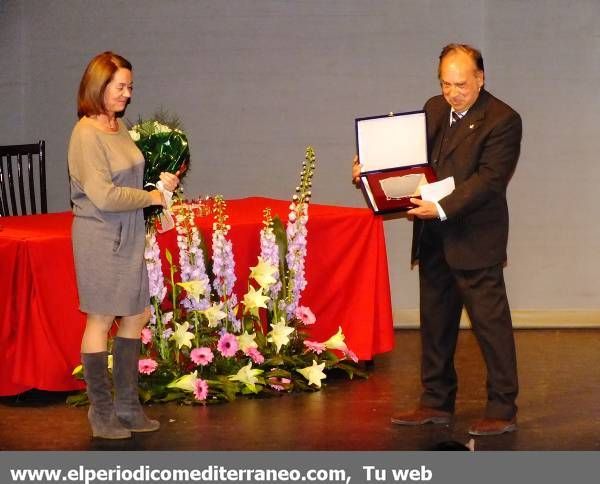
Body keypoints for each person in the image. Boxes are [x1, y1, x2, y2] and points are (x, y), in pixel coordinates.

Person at [353, 43, 522, 436]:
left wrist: (442, 206)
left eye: (461, 84)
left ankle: (502, 408)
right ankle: (435, 403)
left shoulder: (503, 120)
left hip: (475, 238)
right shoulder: (432, 108)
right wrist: (369, 170)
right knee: (435, 324)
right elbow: (409, 160)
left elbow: (490, 180)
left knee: (490, 328)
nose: (452, 92)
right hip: (433, 237)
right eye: (446, 84)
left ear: (480, 78)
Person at [68, 51, 179, 439]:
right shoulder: (85, 134)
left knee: (135, 316)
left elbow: (131, 178)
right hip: (100, 235)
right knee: (100, 318)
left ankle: (128, 406)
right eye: (120, 87)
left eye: (130, 87)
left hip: (130, 232)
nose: (127, 94)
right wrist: (149, 199)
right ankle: (101, 414)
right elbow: (104, 195)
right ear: (99, 86)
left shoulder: (119, 126)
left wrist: (160, 185)